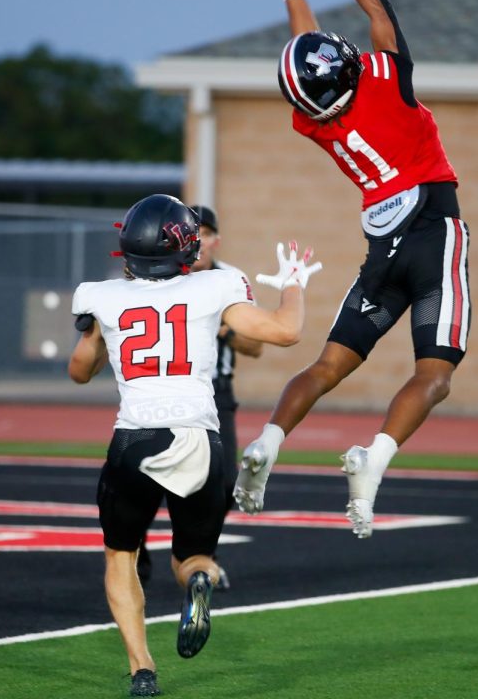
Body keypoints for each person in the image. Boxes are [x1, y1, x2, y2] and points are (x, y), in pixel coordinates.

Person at [235, 0, 471, 539]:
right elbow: (382, 15)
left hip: (382, 249)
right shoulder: (383, 81)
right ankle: (376, 457)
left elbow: (303, 51)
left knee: (325, 367)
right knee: (434, 374)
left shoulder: (314, 121)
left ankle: (269, 439)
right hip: (433, 229)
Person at [68, 194, 319, 696]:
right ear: (186, 246)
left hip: (134, 439)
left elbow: (78, 371)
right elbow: (286, 332)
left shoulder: (101, 295)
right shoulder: (216, 285)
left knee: (120, 555)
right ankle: (200, 580)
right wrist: (294, 283)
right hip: (201, 437)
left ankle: (142, 668)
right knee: (194, 556)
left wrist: (103, 338)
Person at [134, 205, 262, 590]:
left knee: (223, 480)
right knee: (146, 474)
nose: (200, 240)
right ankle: (135, 543)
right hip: (165, 387)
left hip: (215, 392)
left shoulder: (229, 279)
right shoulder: (162, 271)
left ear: (216, 240)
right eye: (194, 232)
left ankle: (203, 554)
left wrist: (224, 327)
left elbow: (255, 346)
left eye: (206, 233)